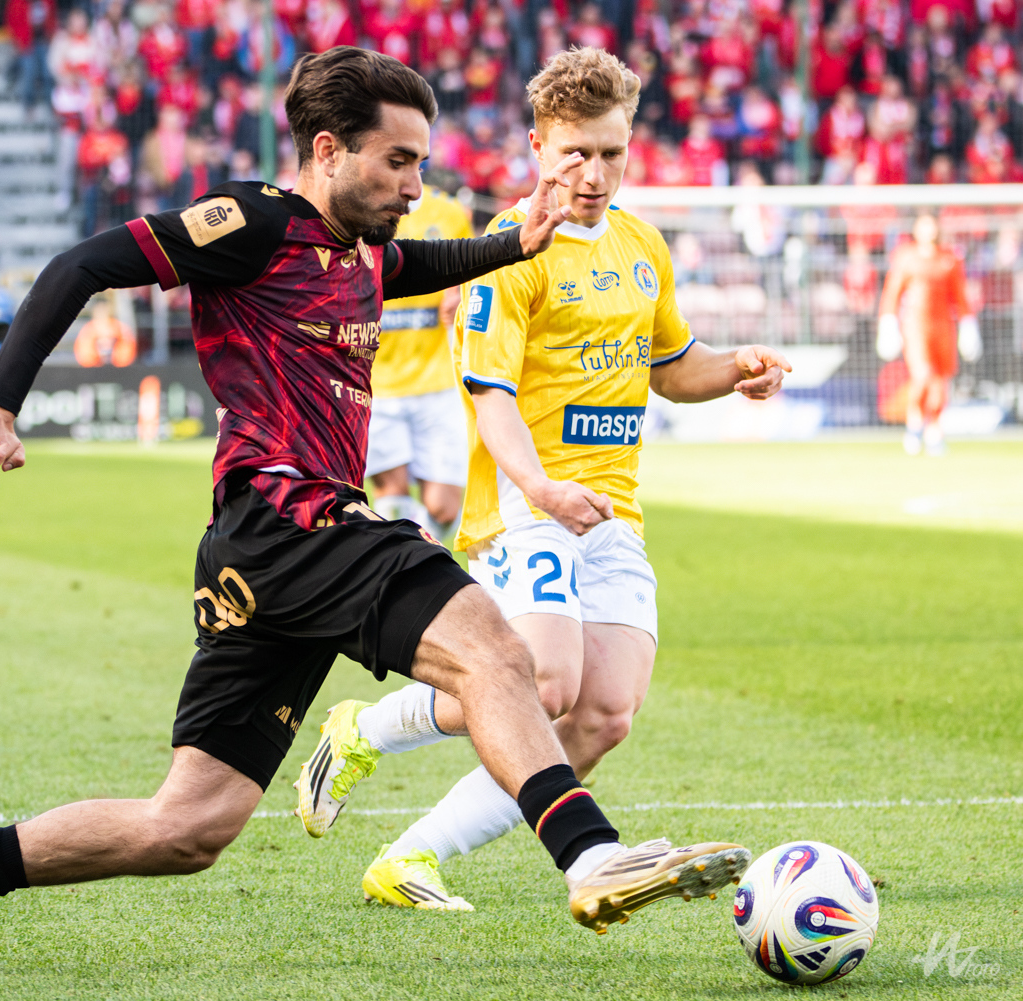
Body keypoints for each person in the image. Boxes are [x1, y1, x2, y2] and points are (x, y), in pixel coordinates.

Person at [0, 47, 750, 961]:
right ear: (327, 150)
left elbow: (417, 263)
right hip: (292, 513)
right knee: (496, 650)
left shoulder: (357, 249)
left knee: (187, 825)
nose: (415, 184)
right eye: (397, 161)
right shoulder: (256, 222)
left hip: (260, 555)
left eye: (421, 162)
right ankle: (591, 856)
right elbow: (80, 265)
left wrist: (513, 243)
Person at [293, 47, 787, 913]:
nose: (593, 174)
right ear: (537, 147)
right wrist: (545, 489)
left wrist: (736, 367)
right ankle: (363, 729)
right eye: (575, 154)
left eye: (611, 153)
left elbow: (672, 365)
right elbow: (490, 399)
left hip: (612, 510)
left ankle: (410, 854)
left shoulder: (641, 246)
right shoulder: (510, 250)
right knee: (544, 681)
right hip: (525, 502)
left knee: (604, 714)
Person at [365, 183, 472, 541]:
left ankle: (415, 555)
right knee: (392, 495)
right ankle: (407, 570)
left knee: (444, 508)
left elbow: (470, 280)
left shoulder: (450, 214)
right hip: (377, 384)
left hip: (437, 382)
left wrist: (461, 297)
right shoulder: (361, 210)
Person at [877, 213, 979, 456]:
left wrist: (968, 326)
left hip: (943, 326)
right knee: (922, 375)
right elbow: (892, 293)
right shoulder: (906, 257)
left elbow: (960, 296)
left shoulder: (949, 259)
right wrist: (888, 323)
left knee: (940, 381)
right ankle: (914, 424)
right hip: (916, 326)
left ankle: (934, 430)